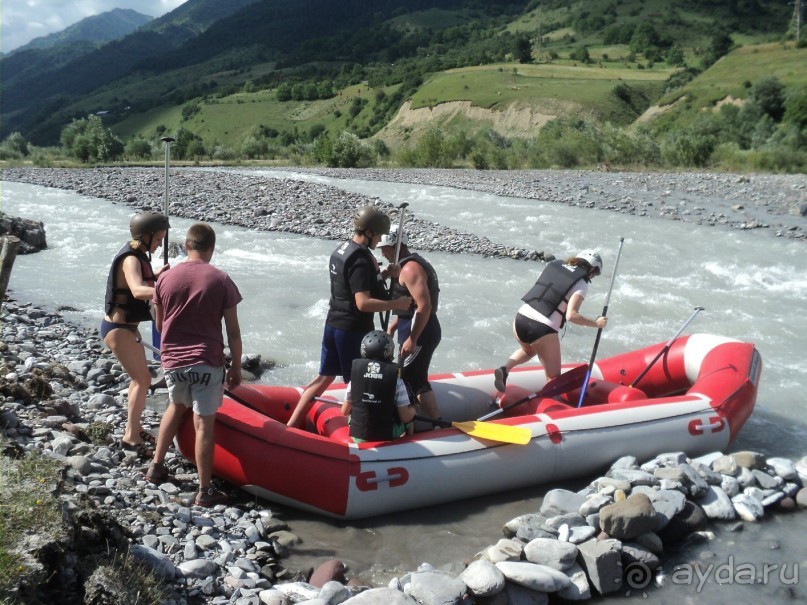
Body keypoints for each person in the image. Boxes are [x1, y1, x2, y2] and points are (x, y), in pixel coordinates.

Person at [287, 205, 412, 429]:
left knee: (323, 378)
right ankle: (358, 431)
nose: (380, 240)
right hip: (352, 330)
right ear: (370, 233)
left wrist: (384, 273)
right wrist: (398, 303)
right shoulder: (361, 259)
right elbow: (363, 303)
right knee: (359, 383)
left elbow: (353, 283)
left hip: (333, 324)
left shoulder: (342, 250)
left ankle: (291, 424)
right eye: (379, 235)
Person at [145, 223, 243, 508]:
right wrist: (236, 367)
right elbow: (233, 332)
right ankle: (204, 489)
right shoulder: (222, 279)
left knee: (175, 407)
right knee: (204, 423)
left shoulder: (165, 279)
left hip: (173, 360)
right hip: (206, 361)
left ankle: (155, 466)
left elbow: (161, 324)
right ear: (211, 248)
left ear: (186, 246)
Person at [102, 211, 170, 457]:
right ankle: (130, 437)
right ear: (146, 235)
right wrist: (165, 288)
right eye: (159, 238)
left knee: (138, 380)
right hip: (118, 330)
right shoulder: (131, 258)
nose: (160, 243)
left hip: (125, 328)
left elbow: (144, 282)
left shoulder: (137, 253)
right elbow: (138, 290)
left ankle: (135, 429)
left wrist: (158, 276)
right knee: (143, 380)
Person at [494, 250, 608, 392]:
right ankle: (549, 408)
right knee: (554, 380)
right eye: (595, 273)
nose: (593, 276)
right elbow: (571, 315)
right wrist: (596, 323)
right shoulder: (582, 283)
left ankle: (504, 369)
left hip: (521, 318)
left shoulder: (555, 265)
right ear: (592, 268)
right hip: (541, 329)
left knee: (528, 351)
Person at [378, 227, 442, 419]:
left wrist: (412, 339)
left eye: (385, 248)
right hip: (412, 328)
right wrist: (394, 325)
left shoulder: (410, 269)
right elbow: (411, 306)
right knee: (414, 379)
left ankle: (434, 422)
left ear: (398, 246)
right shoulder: (404, 266)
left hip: (421, 333)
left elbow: (424, 307)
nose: (382, 252)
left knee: (409, 379)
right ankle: (426, 422)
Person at [341, 330, 416, 442]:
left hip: (358, 435)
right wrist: (414, 410)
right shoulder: (398, 381)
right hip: (387, 432)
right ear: (389, 352)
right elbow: (405, 417)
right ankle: (408, 445)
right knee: (410, 421)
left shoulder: (355, 379)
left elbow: (345, 411)